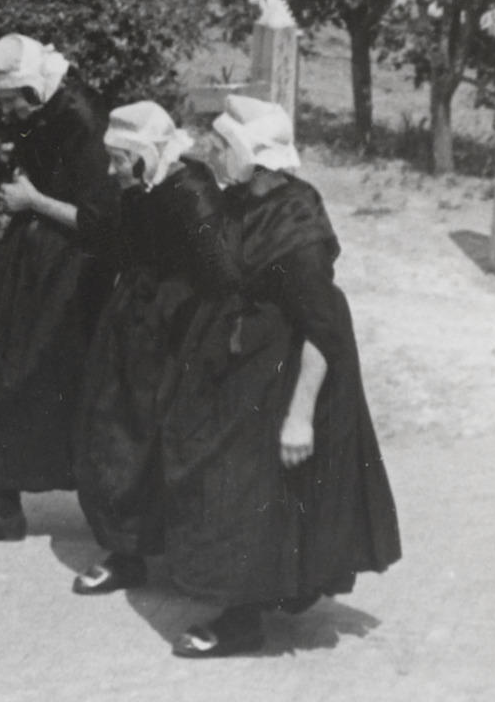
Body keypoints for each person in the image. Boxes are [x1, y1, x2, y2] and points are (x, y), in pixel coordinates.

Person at [155, 98, 401, 657]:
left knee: (246, 488)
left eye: (224, 145)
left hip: (291, 371)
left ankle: (240, 619)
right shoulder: (248, 196)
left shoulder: (297, 225)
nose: (215, 152)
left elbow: (323, 328)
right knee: (254, 487)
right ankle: (265, 590)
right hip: (250, 362)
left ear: (252, 155)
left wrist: (300, 415)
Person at [0, 35, 117, 548]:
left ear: (33, 88)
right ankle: (4, 507)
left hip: (77, 267)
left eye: (9, 100)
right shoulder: (37, 111)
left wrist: (32, 200)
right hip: (34, 254)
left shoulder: (84, 121)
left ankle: (108, 518)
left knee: (70, 379)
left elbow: (102, 224)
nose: (5, 111)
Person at [68, 103, 234, 597]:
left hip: (174, 329)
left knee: (153, 435)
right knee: (117, 428)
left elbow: (220, 271)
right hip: (136, 320)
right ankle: (127, 551)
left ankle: (167, 554)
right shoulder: (142, 188)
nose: (111, 170)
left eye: (119, 160)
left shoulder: (192, 191)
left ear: (145, 155)